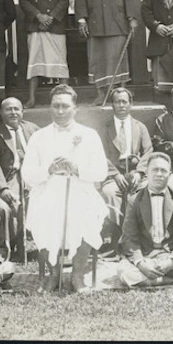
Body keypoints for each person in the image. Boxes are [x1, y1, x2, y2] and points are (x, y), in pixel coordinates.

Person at [21, 84, 108, 292]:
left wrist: (77, 168)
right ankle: (54, 274)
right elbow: (27, 174)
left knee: (88, 216)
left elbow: (101, 172)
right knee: (42, 215)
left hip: (80, 188)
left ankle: (77, 275)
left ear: (74, 109)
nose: (60, 111)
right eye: (55, 106)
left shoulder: (89, 134)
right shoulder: (38, 136)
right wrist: (48, 169)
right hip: (48, 188)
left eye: (65, 106)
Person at [117, 153, 173, 287]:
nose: (159, 174)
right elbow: (129, 237)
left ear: (170, 174)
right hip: (147, 256)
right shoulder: (134, 201)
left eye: (164, 170)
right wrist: (141, 263)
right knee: (123, 269)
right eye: (155, 170)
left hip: (170, 255)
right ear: (147, 173)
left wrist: (172, 260)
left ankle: (152, 281)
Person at [0, 97, 39, 253]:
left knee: (33, 202)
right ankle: (6, 247)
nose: (13, 113)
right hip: (7, 179)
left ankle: (24, 246)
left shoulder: (33, 129)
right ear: (1, 112)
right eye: (8, 109)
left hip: (30, 177)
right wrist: (3, 190)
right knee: (4, 207)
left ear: (22, 112)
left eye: (17, 109)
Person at [99, 87, 153, 252]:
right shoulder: (105, 128)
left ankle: (141, 238)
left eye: (125, 101)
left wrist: (140, 172)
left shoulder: (140, 127)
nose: (121, 105)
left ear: (131, 104)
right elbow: (100, 154)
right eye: (117, 102)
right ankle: (118, 238)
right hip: (115, 173)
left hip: (136, 173)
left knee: (146, 191)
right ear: (112, 105)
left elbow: (149, 151)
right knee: (110, 193)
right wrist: (114, 174)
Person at [19, 0, 70, 108]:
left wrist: (51, 17)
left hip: (55, 26)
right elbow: (23, 0)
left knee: (60, 62)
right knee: (34, 62)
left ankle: (65, 98)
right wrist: (38, 16)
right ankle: (32, 99)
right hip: (35, 25)